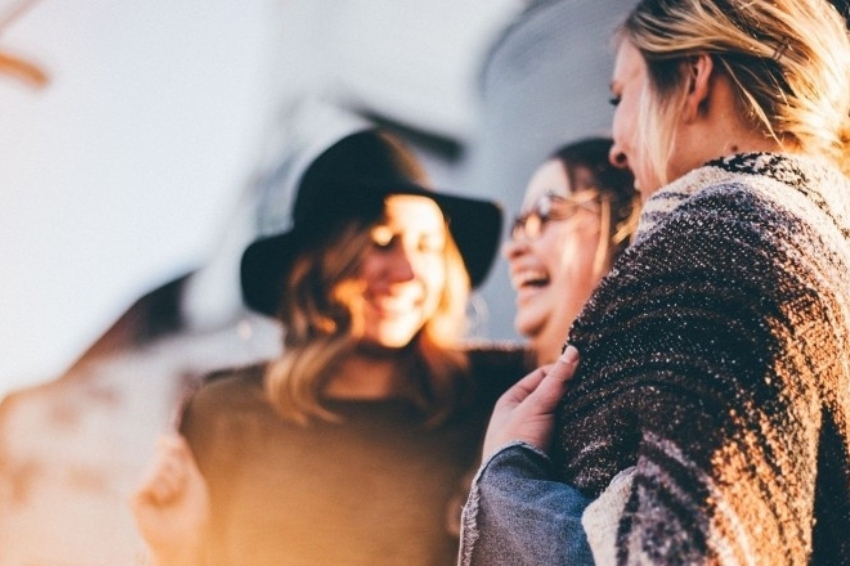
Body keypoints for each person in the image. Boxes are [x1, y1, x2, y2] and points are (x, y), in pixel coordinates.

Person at [460, 0, 850, 564]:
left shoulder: (718, 241)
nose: (617, 146)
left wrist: (507, 473)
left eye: (621, 95)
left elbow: (678, 552)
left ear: (694, 77)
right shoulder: (821, 253)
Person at [130, 128, 530, 565]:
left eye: (428, 246)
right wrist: (174, 549)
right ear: (320, 263)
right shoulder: (226, 414)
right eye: (382, 243)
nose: (408, 272)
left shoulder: (494, 399)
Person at [504, 137, 638, 365]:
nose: (512, 249)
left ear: (623, 227)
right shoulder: (469, 389)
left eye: (545, 212)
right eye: (520, 225)